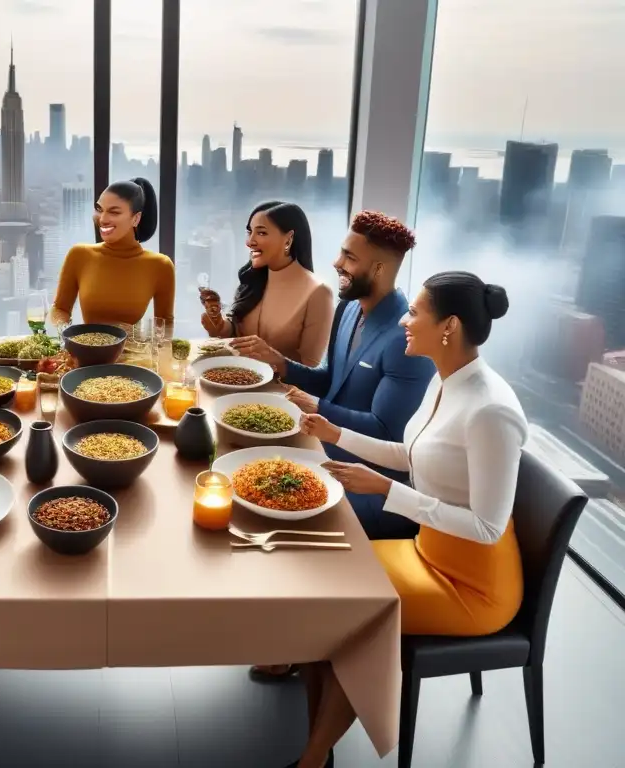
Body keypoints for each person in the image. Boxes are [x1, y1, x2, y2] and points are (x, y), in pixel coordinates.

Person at [288, 272, 527, 768]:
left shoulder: (491, 411)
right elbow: (412, 453)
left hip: (473, 584)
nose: (404, 320)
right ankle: (319, 737)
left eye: (415, 311)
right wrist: (337, 432)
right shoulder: (446, 380)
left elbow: (487, 525)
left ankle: (313, 759)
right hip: (426, 550)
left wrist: (387, 491)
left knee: (346, 612)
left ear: (450, 326)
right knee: (318, 589)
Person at [248, 211, 433, 683]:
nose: (336, 263)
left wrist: (318, 406)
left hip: (378, 486)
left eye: (349, 257)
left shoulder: (406, 339)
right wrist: (283, 365)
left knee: (280, 512)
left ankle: (302, 642)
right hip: (330, 454)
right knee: (254, 488)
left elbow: (387, 433)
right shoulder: (350, 309)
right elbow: (332, 381)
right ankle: (277, 624)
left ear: (380, 269)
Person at [199, 201, 333, 367]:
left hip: (281, 392)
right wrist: (219, 325)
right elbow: (238, 335)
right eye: (250, 233)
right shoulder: (253, 279)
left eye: (261, 233)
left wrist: (272, 357)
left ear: (288, 240)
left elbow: (310, 370)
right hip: (238, 382)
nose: (250, 242)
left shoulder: (319, 293)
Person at [50, 177, 175, 334]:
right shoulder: (79, 255)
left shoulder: (160, 265)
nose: (102, 219)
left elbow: (165, 324)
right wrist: (66, 335)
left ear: (136, 218)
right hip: (86, 354)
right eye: (100, 209)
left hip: (132, 356)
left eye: (114, 212)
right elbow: (60, 308)